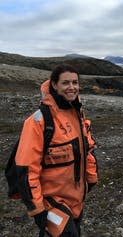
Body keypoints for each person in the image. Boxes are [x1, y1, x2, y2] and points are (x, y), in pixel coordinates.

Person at [15, 64, 98, 236]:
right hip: (51, 202)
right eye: (65, 83)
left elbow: (87, 149)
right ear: (54, 85)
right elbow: (26, 168)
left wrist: (91, 178)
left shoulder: (78, 115)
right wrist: (37, 209)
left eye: (75, 82)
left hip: (76, 199)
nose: (72, 87)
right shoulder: (38, 121)